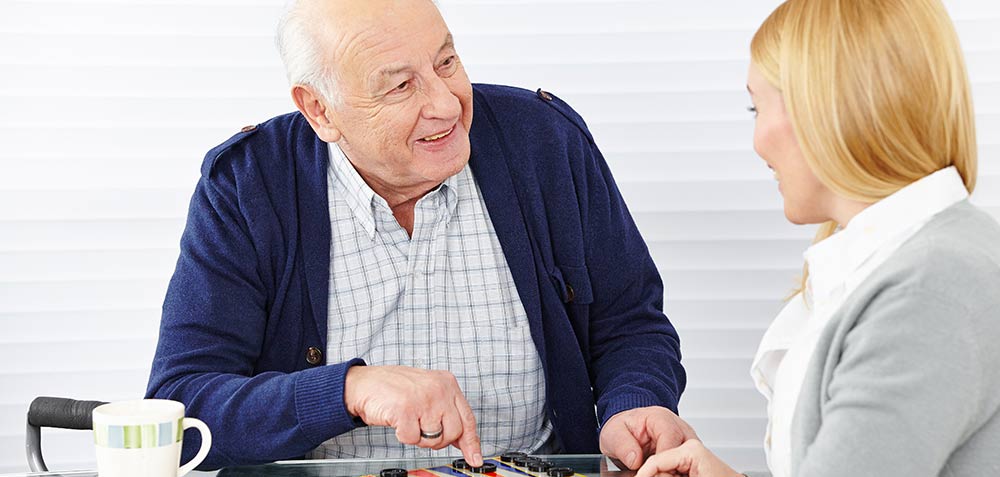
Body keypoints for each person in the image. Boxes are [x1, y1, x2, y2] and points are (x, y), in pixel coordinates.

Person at [146, 0, 691, 470]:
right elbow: (182, 404)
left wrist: (634, 403)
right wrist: (347, 390)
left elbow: (631, 324)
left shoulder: (544, 142)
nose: (449, 104)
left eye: (447, 61)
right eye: (401, 85)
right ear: (320, 109)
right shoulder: (249, 186)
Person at [635, 0, 1000, 476]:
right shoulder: (922, 257)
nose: (757, 141)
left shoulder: (929, 287)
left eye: (756, 106)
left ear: (829, 107)